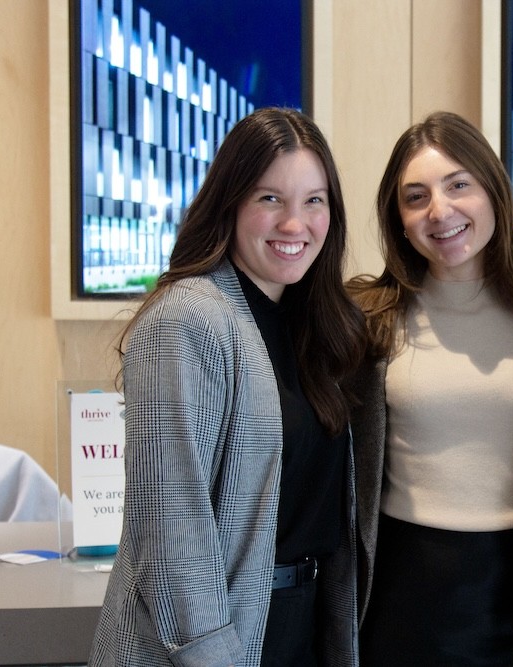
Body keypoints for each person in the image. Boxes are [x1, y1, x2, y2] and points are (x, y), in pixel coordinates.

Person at [89, 107, 366, 667]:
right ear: (231, 203)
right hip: (215, 640)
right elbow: (172, 533)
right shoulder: (188, 319)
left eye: (314, 201)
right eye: (270, 199)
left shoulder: (310, 324)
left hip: (300, 625)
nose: (296, 224)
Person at [346, 111, 513, 666]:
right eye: (416, 196)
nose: (440, 210)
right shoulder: (366, 316)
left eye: (459, 185)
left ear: (493, 193)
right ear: (399, 218)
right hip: (401, 593)